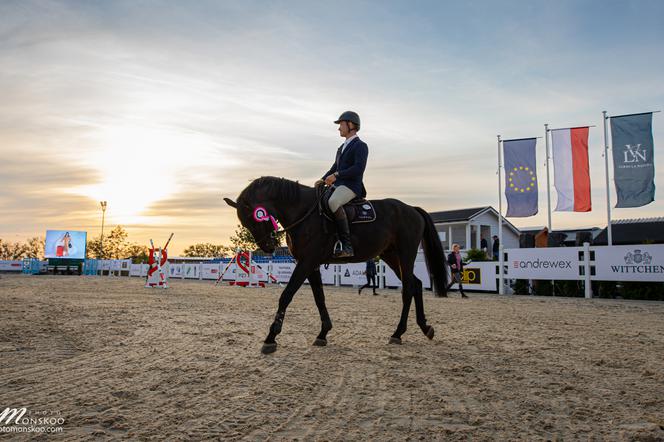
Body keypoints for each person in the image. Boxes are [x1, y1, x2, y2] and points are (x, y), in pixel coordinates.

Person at [315, 111, 368, 257]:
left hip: (351, 186)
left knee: (333, 202)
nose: (339, 128)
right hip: (338, 185)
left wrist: (336, 175)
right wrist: (323, 178)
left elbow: (358, 168)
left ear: (351, 125)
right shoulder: (341, 148)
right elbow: (334, 167)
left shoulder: (361, 146)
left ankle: (347, 246)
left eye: (341, 125)